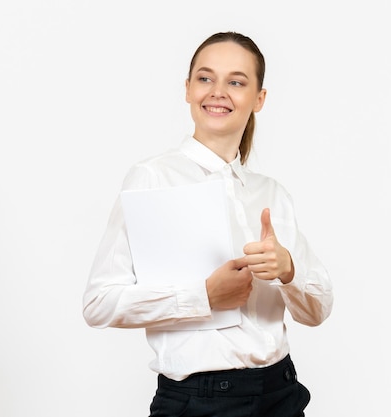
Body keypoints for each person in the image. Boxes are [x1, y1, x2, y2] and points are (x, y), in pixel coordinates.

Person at [82, 31, 334, 417]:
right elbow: (99, 304)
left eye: (236, 81)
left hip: (280, 393)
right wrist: (203, 297)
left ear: (259, 99)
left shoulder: (273, 194)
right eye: (205, 78)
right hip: (198, 402)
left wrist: (289, 271)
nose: (218, 91)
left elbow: (317, 312)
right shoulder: (152, 178)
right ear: (187, 89)